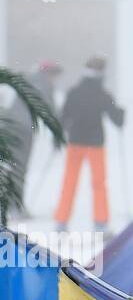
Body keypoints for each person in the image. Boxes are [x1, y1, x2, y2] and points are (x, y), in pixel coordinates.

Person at [55, 56, 125, 233]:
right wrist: (121, 113)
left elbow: (63, 117)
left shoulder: (74, 92)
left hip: (75, 142)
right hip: (95, 144)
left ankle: (61, 222)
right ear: (101, 73)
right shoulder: (102, 94)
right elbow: (117, 119)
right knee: (99, 183)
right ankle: (100, 223)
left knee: (69, 181)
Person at [3, 60, 62, 215]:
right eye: (54, 75)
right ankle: (14, 208)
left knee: (10, 165)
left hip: (8, 126)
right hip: (24, 129)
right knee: (19, 168)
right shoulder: (45, 86)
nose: (55, 78)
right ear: (48, 73)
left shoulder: (27, 80)